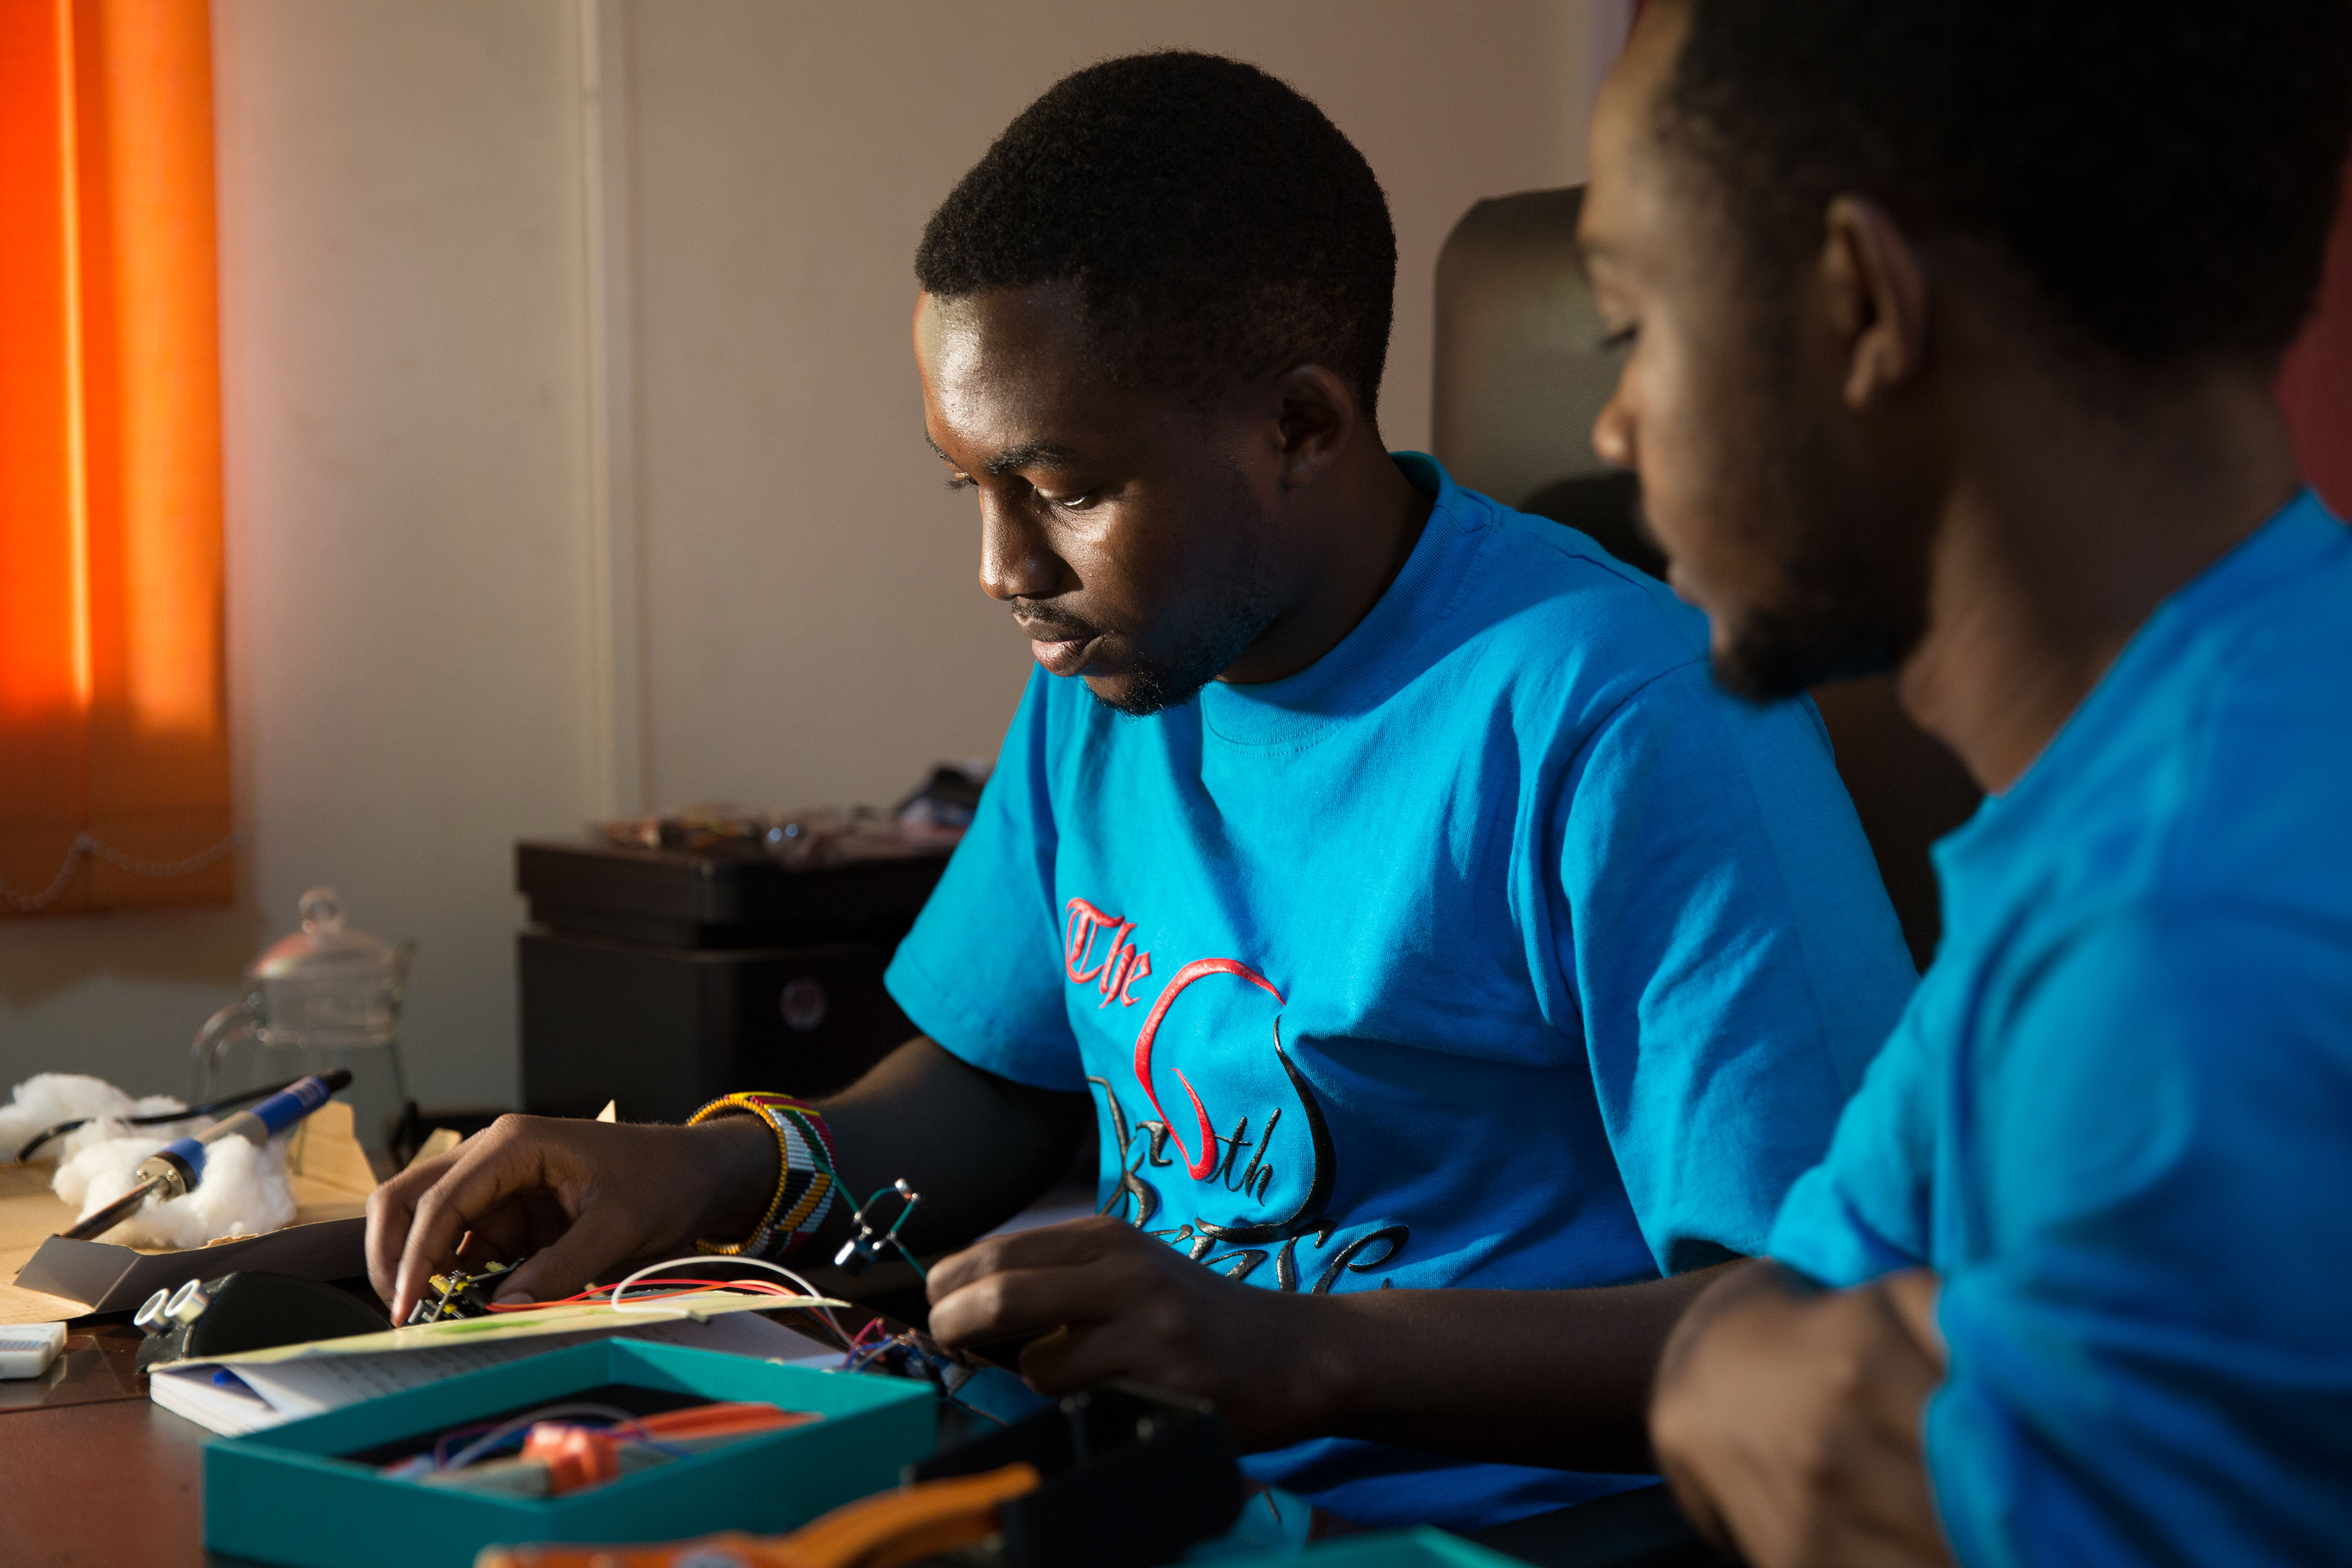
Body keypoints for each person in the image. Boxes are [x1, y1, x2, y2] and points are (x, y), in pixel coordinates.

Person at [369, 51, 1916, 1532]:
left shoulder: (1624, 714)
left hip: (1501, 1531)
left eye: (1060, 491)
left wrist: (1293, 1354)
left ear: (1300, 426)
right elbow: (998, 1083)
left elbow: (1813, 1328)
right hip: (1149, 1496)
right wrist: (714, 1168)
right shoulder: (1122, 667)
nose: (1000, 574)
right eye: (968, 489)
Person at [1572, 3, 2352, 1565]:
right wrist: (1728, 1373)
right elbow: (1780, 1315)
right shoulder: (2136, 777)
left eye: (1628, 325)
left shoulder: (2184, 940)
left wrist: (1747, 1387)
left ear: (1862, 303)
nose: (1609, 424)